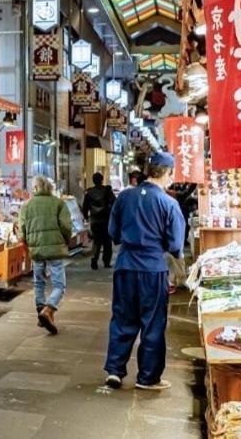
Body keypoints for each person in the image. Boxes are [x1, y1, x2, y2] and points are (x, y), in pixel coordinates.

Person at [104, 152, 185, 392]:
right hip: (152, 268)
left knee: (122, 318)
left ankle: (115, 371)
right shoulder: (169, 203)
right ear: (168, 173)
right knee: (152, 323)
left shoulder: (124, 197)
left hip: (125, 264)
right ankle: (147, 377)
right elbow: (176, 245)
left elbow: (113, 232)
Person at [19, 174, 72, 335]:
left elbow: (22, 231)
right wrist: (65, 240)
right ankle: (48, 310)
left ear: (35, 188)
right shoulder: (58, 204)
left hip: (36, 249)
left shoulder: (26, 206)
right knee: (59, 285)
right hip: (55, 249)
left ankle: (41, 312)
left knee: (39, 283)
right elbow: (66, 227)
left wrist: (27, 245)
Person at [82, 172, 115, 270]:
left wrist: (86, 217)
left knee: (96, 241)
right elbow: (114, 202)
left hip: (95, 220)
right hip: (106, 219)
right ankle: (106, 261)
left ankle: (94, 259)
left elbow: (85, 207)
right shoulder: (107, 190)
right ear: (101, 180)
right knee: (107, 242)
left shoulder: (89, 192)